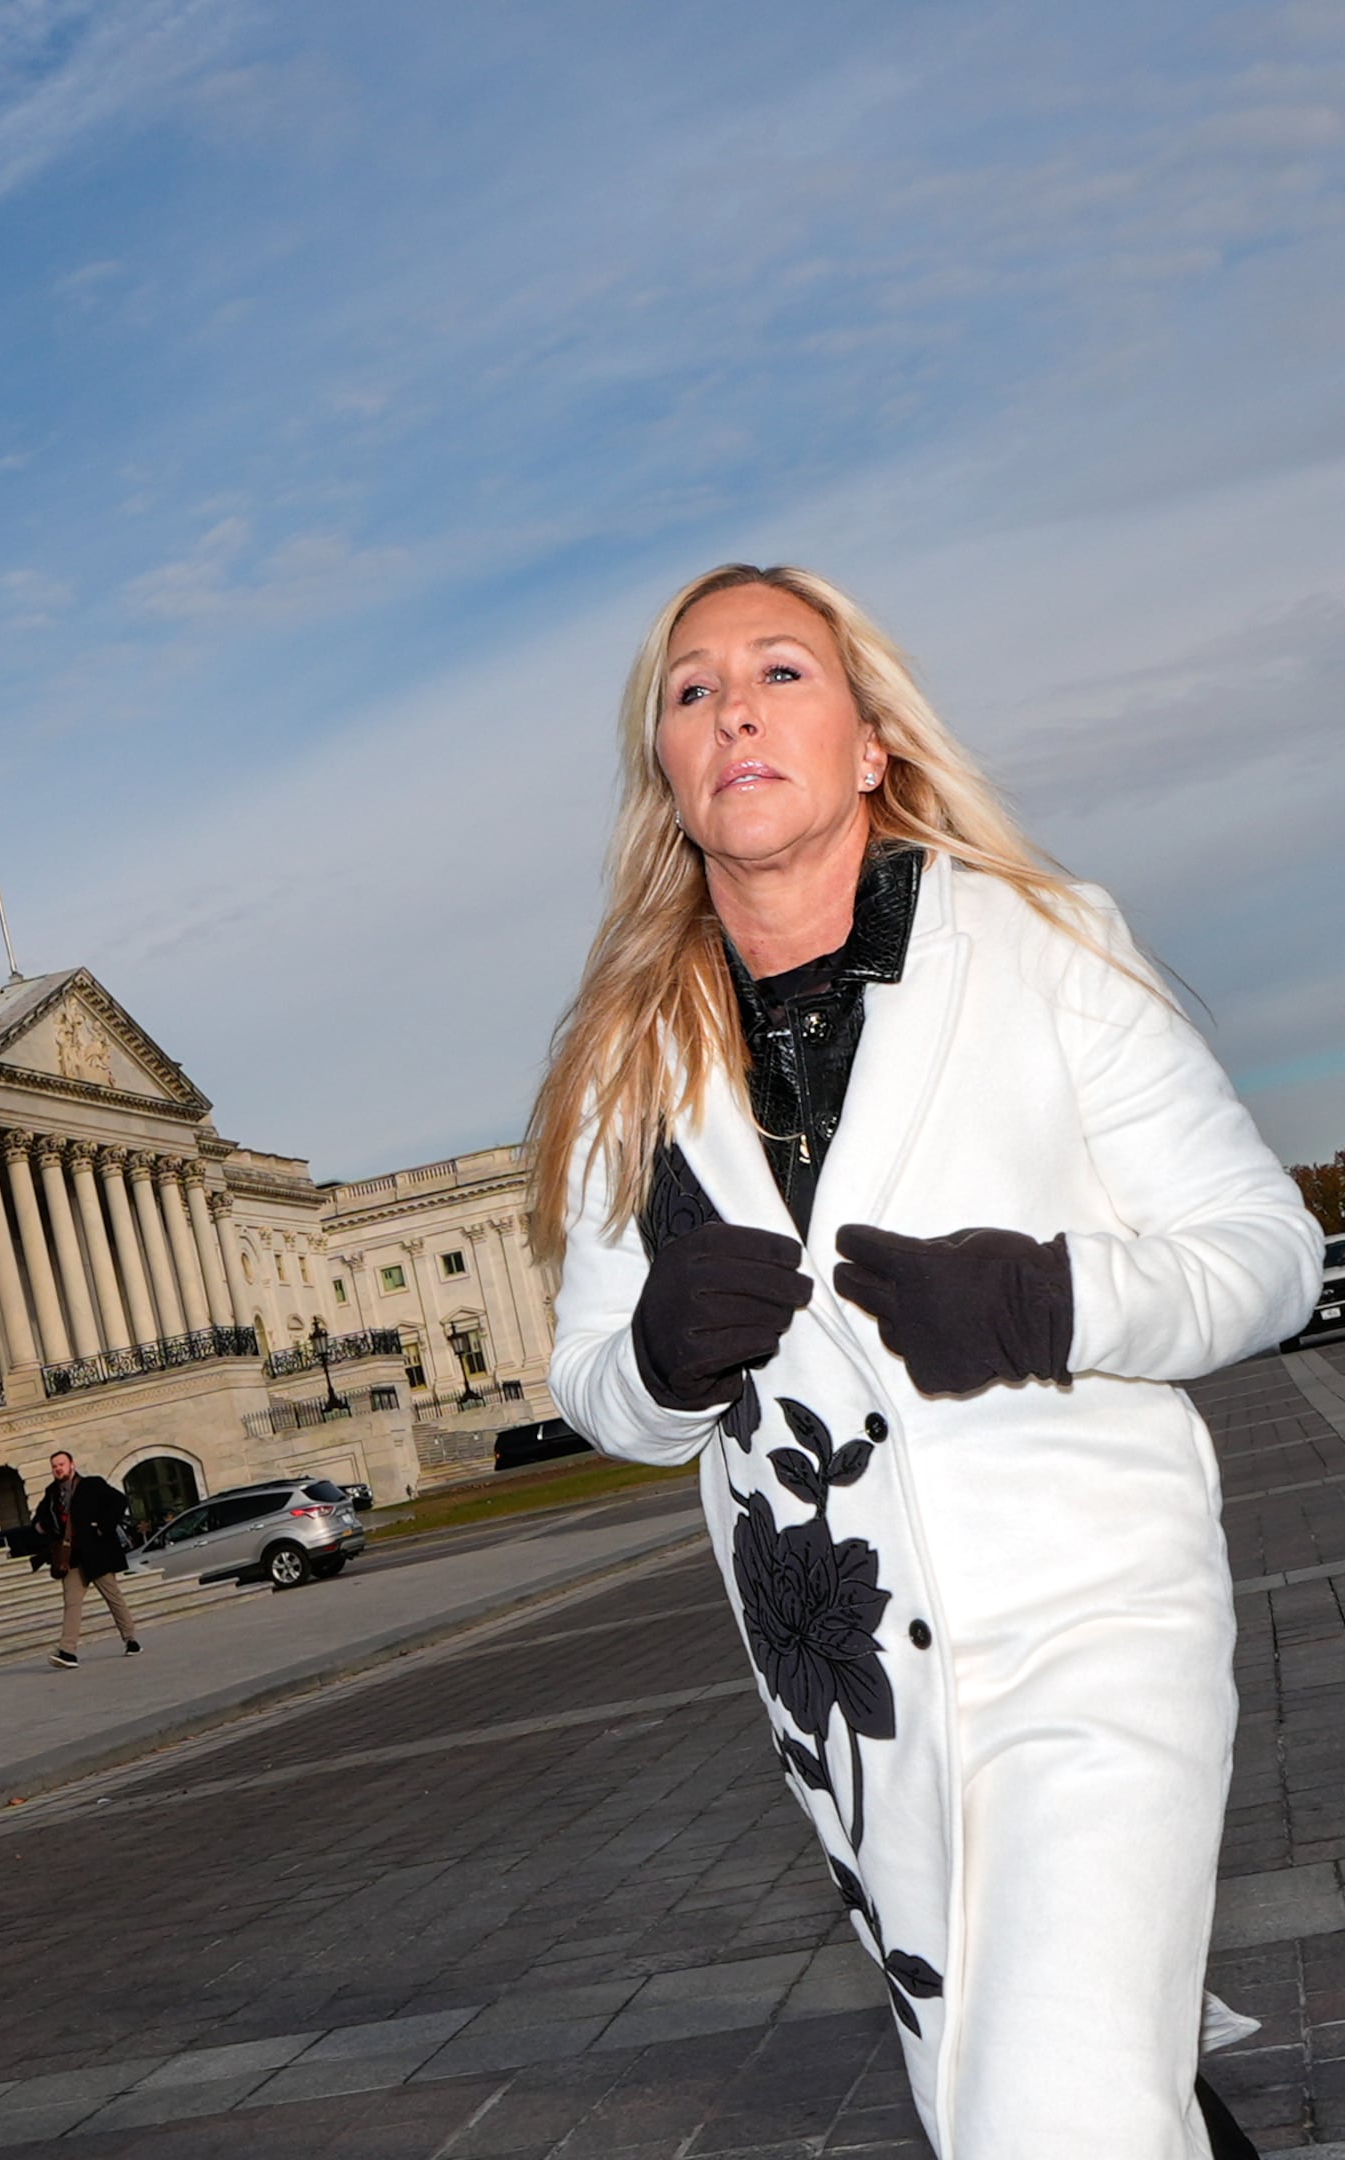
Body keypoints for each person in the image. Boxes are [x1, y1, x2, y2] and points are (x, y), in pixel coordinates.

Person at [534, 566, 1315, 2160]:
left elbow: (1265, 1252)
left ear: (872, 741)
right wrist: (668, 1358)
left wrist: (1047, 1300)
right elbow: (597, 1390)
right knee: (1011, 2094)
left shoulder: (1041, 944)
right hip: (849, 1695)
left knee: (1055, 2117)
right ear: (670, 781)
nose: (733, 706)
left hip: (1088, 1616)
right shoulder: (627, 1061)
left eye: (778, 673)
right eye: (690, 692)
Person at [26, 1448, 140, 1666]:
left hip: (97, 1554)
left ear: (72, 1465)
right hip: (71, 1559)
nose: (58, 1468)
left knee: (113, 1597)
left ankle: (131, 1639)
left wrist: (103, 1527)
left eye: (61, 1464)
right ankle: (67, 1652)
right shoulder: (51, 1494)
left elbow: (119, 1501)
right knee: (71, 1603)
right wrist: (41, 1527)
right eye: (54, 1466)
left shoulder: (92, 1485)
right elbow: (39, 1519)